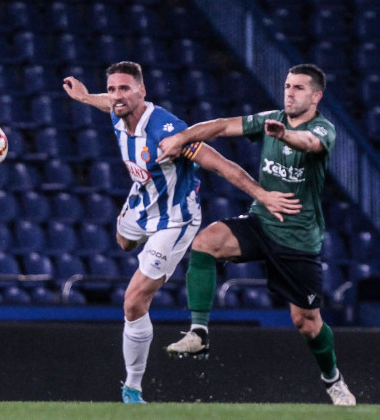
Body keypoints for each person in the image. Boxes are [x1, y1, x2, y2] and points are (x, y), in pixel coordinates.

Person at [62, 61, 302, 404]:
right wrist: (86, 97)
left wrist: (262, 194)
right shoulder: (118, 110)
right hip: (142, 199)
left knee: (133, 302)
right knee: (124, 241)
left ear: (142, 92)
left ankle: (132, 389)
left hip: (175, 220)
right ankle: (138, 241)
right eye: (112, 88)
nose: (116, 96)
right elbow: (109, 104)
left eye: (125, 88)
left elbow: (221, 164)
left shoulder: (165, 130)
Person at [156, 63, 356, 406]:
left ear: (316, 96)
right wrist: (181, 137)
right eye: (288, 86)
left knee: (306, 323)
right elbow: (220, 126)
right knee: (206, 242)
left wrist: (284, 136)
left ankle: (333, 379)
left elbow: (309, 143)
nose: (290, 92)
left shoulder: (323, 129)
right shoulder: (271, 117)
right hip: (261, 221)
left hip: (298, 238)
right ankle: (199, 332)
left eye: (298, 88)